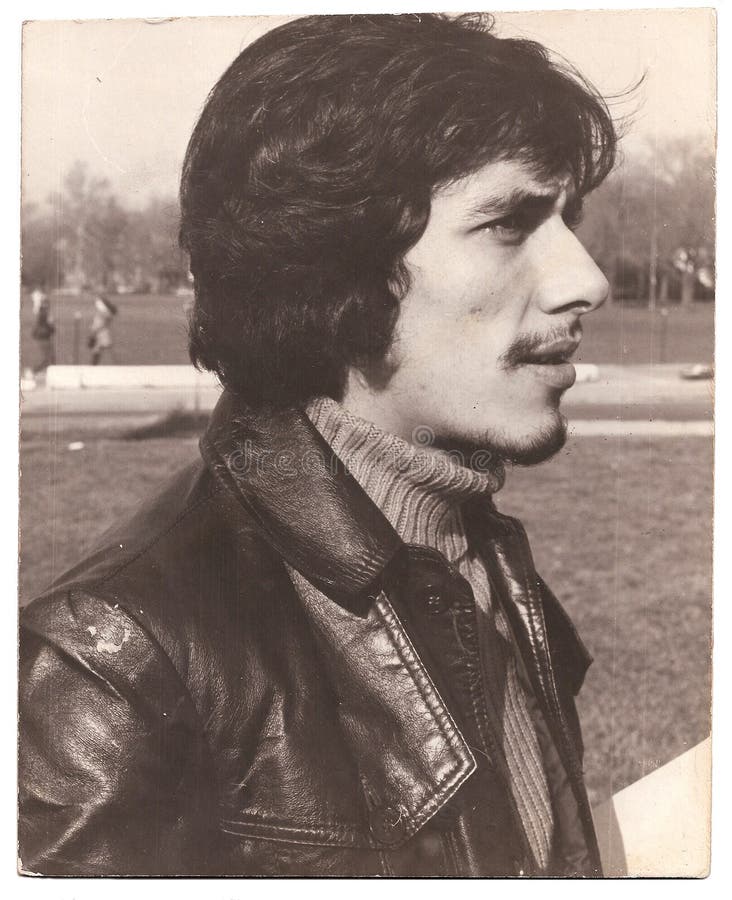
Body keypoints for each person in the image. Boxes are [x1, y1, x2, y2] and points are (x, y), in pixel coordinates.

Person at [19, 14, 617, 877]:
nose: (586, 279)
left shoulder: (467, 544)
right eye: (511, 222)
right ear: (334, 266)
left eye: (571, 219)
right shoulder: (113, 668)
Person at [30, 290, 55, 374]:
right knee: (49, 359)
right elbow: (50, 327)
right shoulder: (45, 313)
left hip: (43, 337)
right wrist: (52, 328)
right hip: (44, 337)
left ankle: (35, 371)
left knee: (50, 358)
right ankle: (33, 371)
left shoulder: (42, 312)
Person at [88, 293, 117, 364]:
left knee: (102, 350)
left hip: (101, 334)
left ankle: (114, 366)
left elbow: (101, 324)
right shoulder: (103, 314)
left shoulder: (104, 314)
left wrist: (93, 333)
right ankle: (94, 367)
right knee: (97, 351)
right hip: (100, 334)